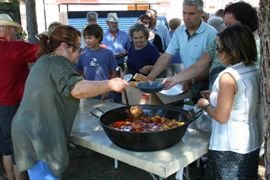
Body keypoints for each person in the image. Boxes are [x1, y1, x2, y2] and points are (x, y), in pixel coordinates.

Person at [11, 25, 128, 180]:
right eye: (77, 46)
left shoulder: (45, 60)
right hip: (38, 134)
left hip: (28, 129)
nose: (80, 51)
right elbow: (77, 89)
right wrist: (110, 84)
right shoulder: (58, 62)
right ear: (64, 46)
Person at [196, 24, 262, 179]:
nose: (218, 54)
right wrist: (214, 95)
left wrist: (205, 106)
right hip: (252, 141)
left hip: (229, 146)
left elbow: (221, 116)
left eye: (219, 49)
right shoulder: (255, 69)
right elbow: (242, 98)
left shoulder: (228, 77)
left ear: (232, 51)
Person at [162, 1, 259, 89]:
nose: (226, 30)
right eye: (225, 25)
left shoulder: (259, 50)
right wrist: (175, 79)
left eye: (230, 25)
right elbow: (198, 66)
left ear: (246, 26)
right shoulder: (218, 42)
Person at [147, 0, 217, 101]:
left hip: (206, 86)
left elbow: (208, 66)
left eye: (191, 14)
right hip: (187, 80)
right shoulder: (180, 31)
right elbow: (167, 55)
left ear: (201, 13)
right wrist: (150, 77)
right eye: (184, 13)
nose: (187, 18)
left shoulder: (211, 33)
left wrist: (189, 80)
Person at [0, 13, 39, 180]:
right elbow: (42, 51)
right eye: (14, 30)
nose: (16, 33)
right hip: (12, 106)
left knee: (6, 149)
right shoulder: (16, 47)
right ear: (7, 29)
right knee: (19, 150)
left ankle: (9, 178)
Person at [76, 24, 118, 100]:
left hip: (104, 92)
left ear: (98, 37)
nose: (87, 41)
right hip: (88, 92)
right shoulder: (82, 54)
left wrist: (108, 88)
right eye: (85, 38)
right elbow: (79, 72)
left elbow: (114, 72)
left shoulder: (108, 53)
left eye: (90, 38)